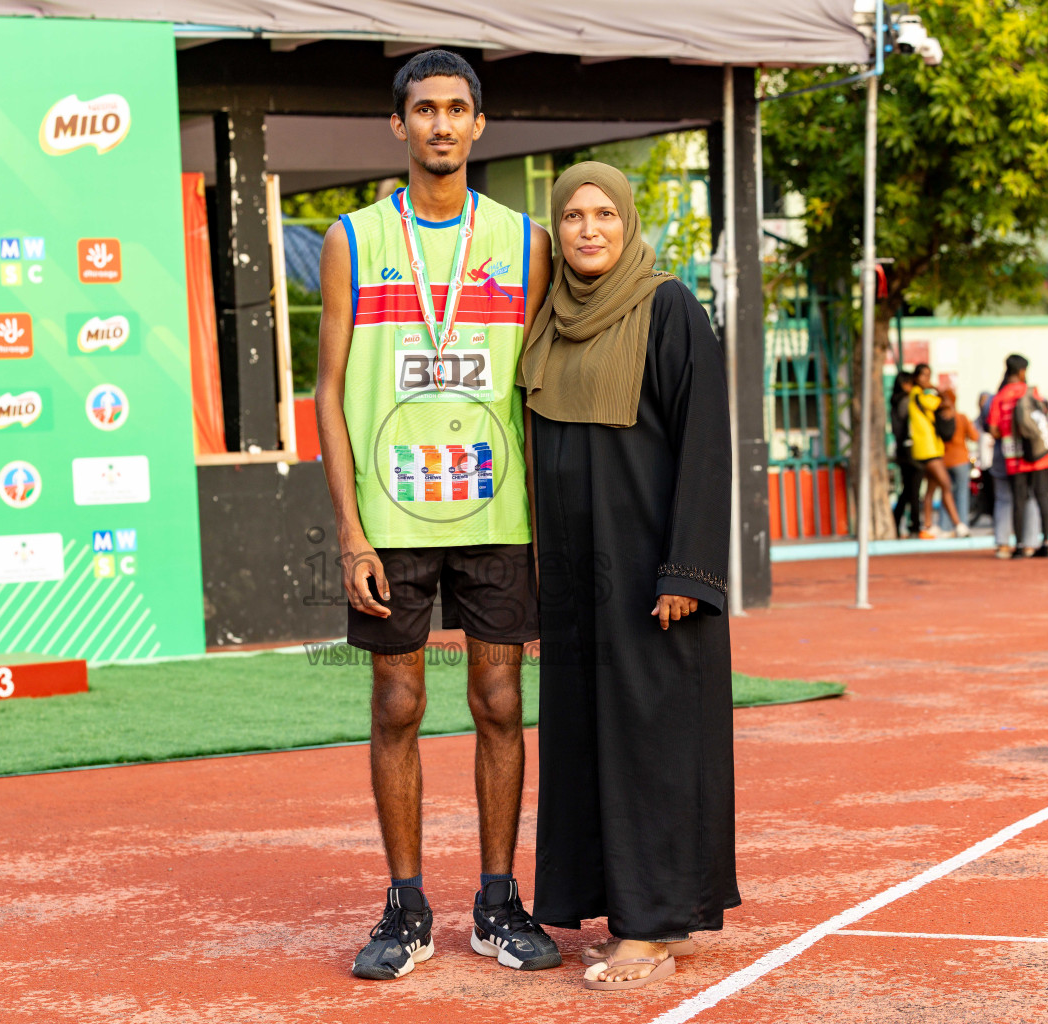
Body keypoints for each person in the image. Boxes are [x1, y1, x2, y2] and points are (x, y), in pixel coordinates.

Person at [316, 49, 558, 981]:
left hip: (498, 516)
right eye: (425, 110)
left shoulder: (526, 240)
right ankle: (406, 906)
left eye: (458, 109)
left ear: (480, 124)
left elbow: (541, 389)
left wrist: (550, 528)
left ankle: (498, 902)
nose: (442, 125)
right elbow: (329, 389)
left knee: (500, 700)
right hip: (392, 518)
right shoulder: (354, 238)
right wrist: (348, 530)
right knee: (397, 703)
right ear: (399, 126)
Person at [518, 162, 740, 992]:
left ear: (629, 221)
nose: (587, 229)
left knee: (653, 743)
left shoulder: (669, 306)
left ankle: (650, 928)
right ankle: (639, 912)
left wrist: (686, 568)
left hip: (654, 574)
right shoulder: (545, 323)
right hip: (579, 579)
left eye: (603, 213)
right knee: (591, 742)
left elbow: (705, 446)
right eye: (572, 215)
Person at [987, 354, 1048, 557]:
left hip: (1014, 459)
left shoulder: (999, 397)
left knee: (1019, 500)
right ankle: (1044, 543)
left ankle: (1018, 545)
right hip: (1038, 455)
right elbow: (1043, 418)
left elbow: (993, 429)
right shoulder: (1032, 392)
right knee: (1042, 498)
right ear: (1023, 371)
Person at [907, 364, 971, 538]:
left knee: (931, 489)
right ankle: (958, 524)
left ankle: (928, 525)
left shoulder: (920, 395)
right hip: (927, 449)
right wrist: (936, 389)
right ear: (916, 377)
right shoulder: (918, 395)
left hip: (932, 447)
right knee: (946, 484)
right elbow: (942, 403)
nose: (926, 379)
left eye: (929, 375)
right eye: (923, 376)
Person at [938, 387, 979, 531]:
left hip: (943, 460)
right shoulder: (961, 417)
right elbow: (975, 436)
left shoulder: (938, 417)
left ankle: (944, 526)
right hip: (960, 460)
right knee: (962, 493)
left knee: (945, 493)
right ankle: (962, 526)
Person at [891, 373, 923, 538]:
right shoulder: (907, 401)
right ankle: (915, 525)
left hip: (902, 450)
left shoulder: (895, 400)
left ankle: (897, 522)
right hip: (912, 449)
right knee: (913, 490)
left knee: (908, 490)